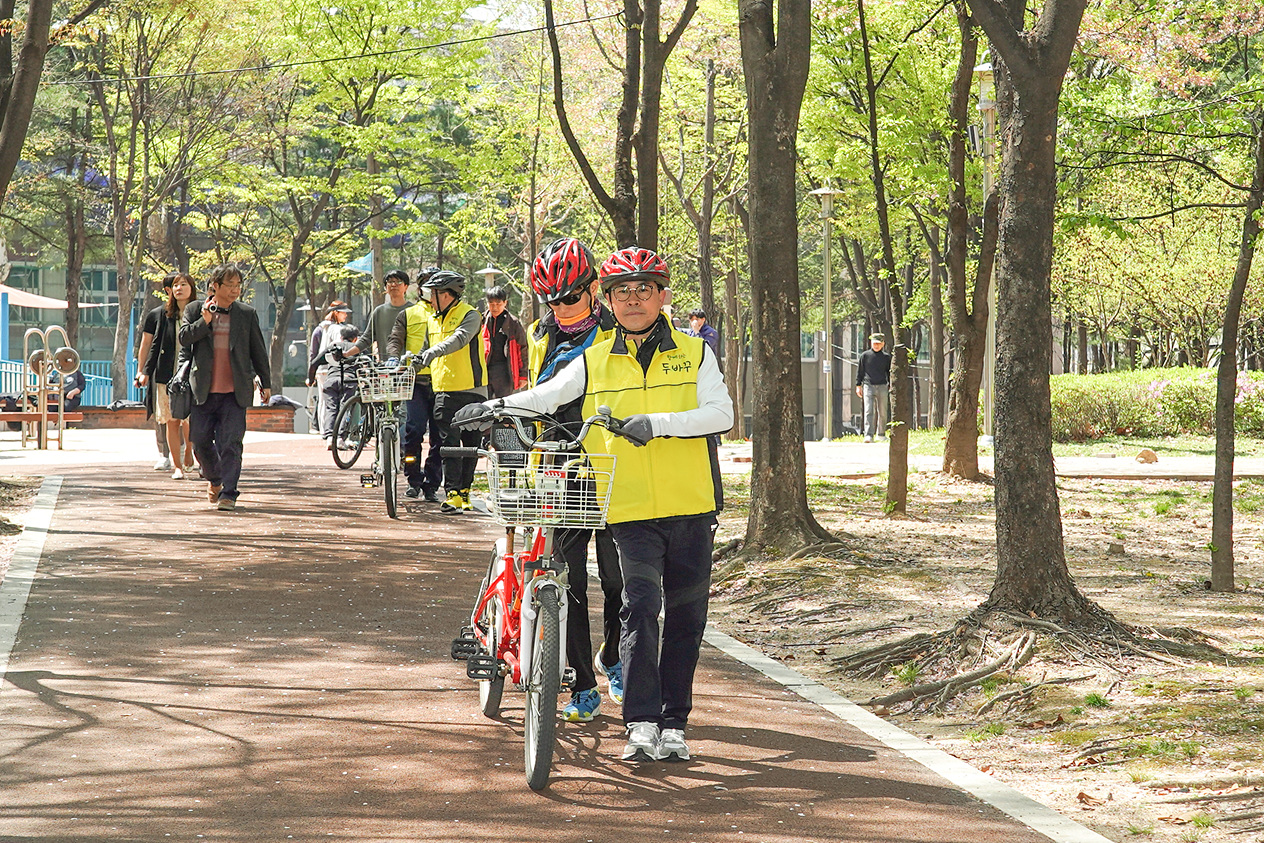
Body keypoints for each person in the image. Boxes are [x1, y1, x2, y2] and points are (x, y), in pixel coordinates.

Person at [458, 245, 732, 763]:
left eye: (644, 290)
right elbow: (548, 395)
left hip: (691, 504)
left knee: (687, 617)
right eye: (623, 292)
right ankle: (642, 722)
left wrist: (658, 425)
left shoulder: (696, 352)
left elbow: (721, 414)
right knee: (640, 608)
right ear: (609, 299)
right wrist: (492, 405)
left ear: (662, 296)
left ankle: (675, 722)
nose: (633, 300)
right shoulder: (596, 356)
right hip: (626, 508)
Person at [523, 237, 623, 723]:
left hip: (614, 465)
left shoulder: (619, 329)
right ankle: (585, 684)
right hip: (562, 468)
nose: (560, 309)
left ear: (591, 289)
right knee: (570, 580)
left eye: (568, 298)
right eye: (551, 301)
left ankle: (613, 654)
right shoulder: (540, 333)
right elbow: (535, 392)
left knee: (619, 577)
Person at [179, 263, 272, 512]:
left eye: (238, 285)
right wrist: (205, 320)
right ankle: (215, 480)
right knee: (199, 442)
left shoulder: (246, 313)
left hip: (235, 391)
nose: (235, 290)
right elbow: (184, 338)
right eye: (229, 285)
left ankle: (229, 493)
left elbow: (258, 351)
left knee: (231, 443)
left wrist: (266, 382)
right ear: (215, 286)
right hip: (203, 391)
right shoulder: (195, 309)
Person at [412, 270, 487, 514]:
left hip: (473, 390)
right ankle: (453, 492)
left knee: (471, 444)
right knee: (449, 444)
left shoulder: (471, 315)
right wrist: (412, 359)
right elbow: (425, 348)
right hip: (443, 390)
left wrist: (432, 352)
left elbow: (460, 339)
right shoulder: (433, 319)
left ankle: (465, 491)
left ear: (446, 294)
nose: (430, 300)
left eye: (433, 294)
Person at [386, 267, 444, 502]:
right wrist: (393, 357)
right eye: (426, 283)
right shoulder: (409, 313)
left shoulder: (451, 314)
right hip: (416, 382)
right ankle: (413, 479)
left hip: (442, 382)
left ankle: (432, 484)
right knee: (413, 432)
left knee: (440, 437)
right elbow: (395, 340)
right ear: (419, 288)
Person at [138, 273, 198, 479]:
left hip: (192, 376)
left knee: (190, 420)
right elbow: (154, 345)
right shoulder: (164, 314)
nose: (179, 288)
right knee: (172, 421)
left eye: (183, 284)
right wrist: (146, 371)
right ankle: (177, 466)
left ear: (191, 288)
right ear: (169, 290)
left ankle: (189, 451)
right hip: (167, 375)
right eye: (175, 285)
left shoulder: (200, 312)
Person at [308, 301, 356, 449]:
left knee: (328, 405)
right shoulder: (337, 330)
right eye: (343, 312)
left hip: (327, 370)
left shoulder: (323, 328)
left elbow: (315, 355)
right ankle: (339, 436)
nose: (346, 314)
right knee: (344, 407)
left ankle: (328, 434)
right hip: (342, 373)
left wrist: (311, 375)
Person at [481, 286, 528, 399]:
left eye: (498, 303)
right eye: (491, 303)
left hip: (505, 370)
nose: (495, 307)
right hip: (485, 369)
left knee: (503, 405)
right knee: (484, 404)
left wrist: (523, 375)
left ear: (505, 303)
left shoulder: (513, 323)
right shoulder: (482, 320)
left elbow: (523, 348)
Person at [855, 332, 891, 443]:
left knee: (883, 411)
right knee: (868, 410)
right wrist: (858, 385)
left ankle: (881, 434)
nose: (876, 345)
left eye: (878, 343)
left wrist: (890, 385)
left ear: (883, 344)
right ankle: (868, 435)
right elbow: (860, 371)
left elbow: (889, 373)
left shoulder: (886, 357)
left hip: (882, 386)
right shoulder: (865, 356)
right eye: (874, 343)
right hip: (868, 386)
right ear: (871, 343)